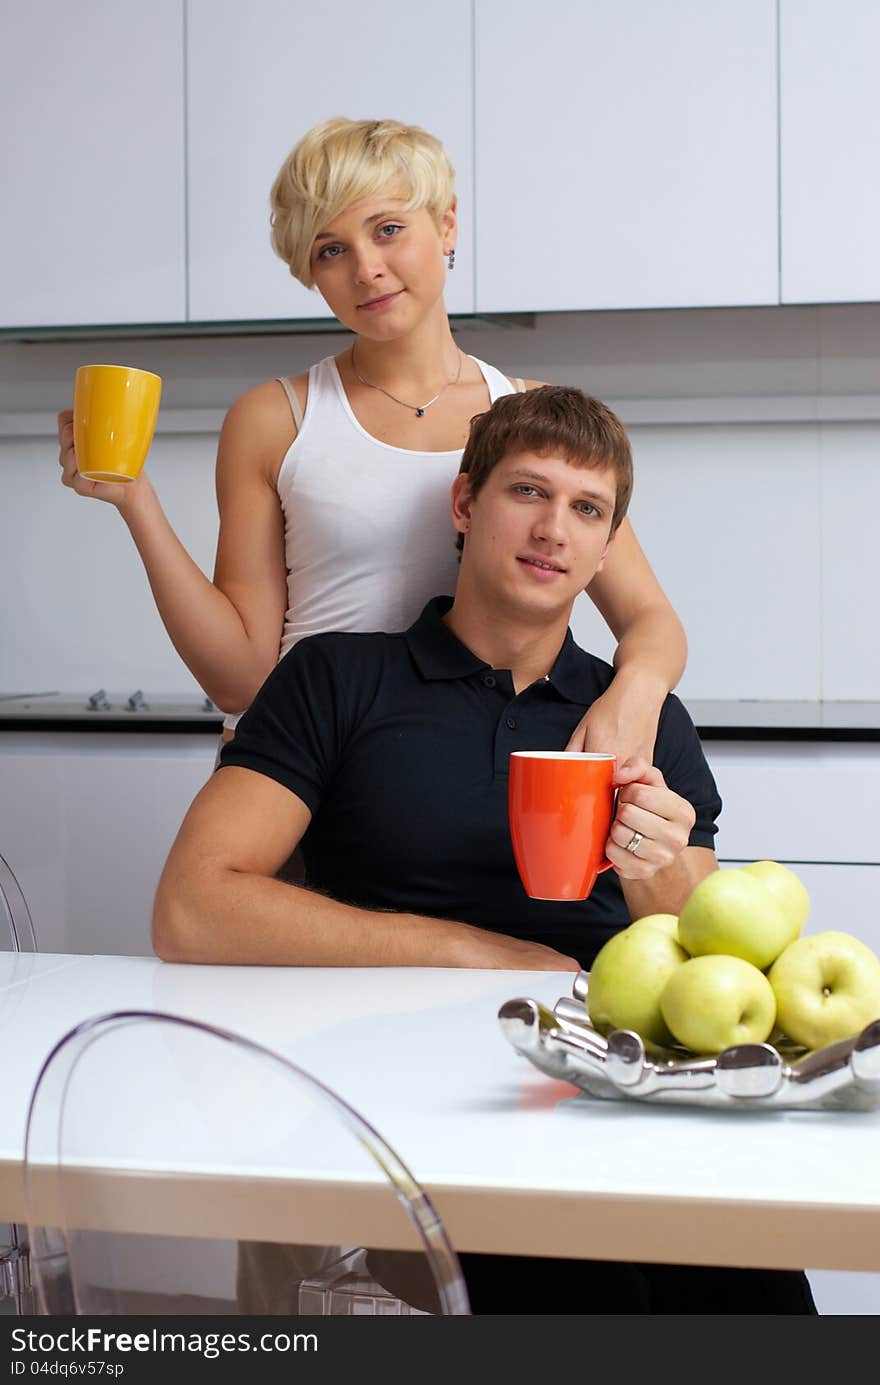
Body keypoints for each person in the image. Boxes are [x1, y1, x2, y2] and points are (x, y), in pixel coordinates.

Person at [153, 385, 816, 1315]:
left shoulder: (641, 719)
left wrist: (655, 859)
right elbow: (193, 905)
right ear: (466, 506)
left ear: (605, 546)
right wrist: (475, 954)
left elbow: (700, 951)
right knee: (601, 1301)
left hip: (610, 1080)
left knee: (756, 1294)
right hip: (411, 1100)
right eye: (528, 493)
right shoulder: (340, 679)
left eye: (586, 510)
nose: (554, 528)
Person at [57, 116, 687, 767]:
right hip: (302, 773)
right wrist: (137, 503)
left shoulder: (531, 422)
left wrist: (632, 696)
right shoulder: (275, 419)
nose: (366, 269)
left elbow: (653, 623)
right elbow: (239, 678)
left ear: (446, 225)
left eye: (388, 229)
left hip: (459, 773)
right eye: (331, 249)